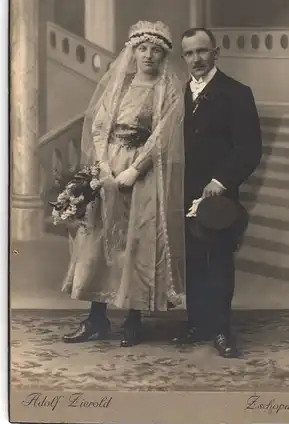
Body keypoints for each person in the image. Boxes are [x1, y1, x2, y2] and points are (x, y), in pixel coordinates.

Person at [61, 20, 186, 347]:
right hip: (108, 168)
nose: (148, 56)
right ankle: (96, 319)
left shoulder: (167, 89)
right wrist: (103, 167)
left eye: (155, 51)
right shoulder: (120, 84)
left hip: (141, 172)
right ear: (133, 51)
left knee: (136, 241)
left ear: (163, 56)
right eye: (142, 49)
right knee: (99, 241)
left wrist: (135, 170)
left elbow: (162, 136)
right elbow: (100, 128)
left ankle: (133, 319)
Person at [172, 27, 262, 357]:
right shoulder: (177, 95)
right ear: (183, 58)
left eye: (202, 51)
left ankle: (222, 331)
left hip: (220, 197)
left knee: (220, 262)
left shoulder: (237, 93)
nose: (196, 59)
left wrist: (220, 182)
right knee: (194, 261)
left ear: (215, 52)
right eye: (190, 53)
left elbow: (250, 148)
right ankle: (197, 324)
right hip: (182, 192)